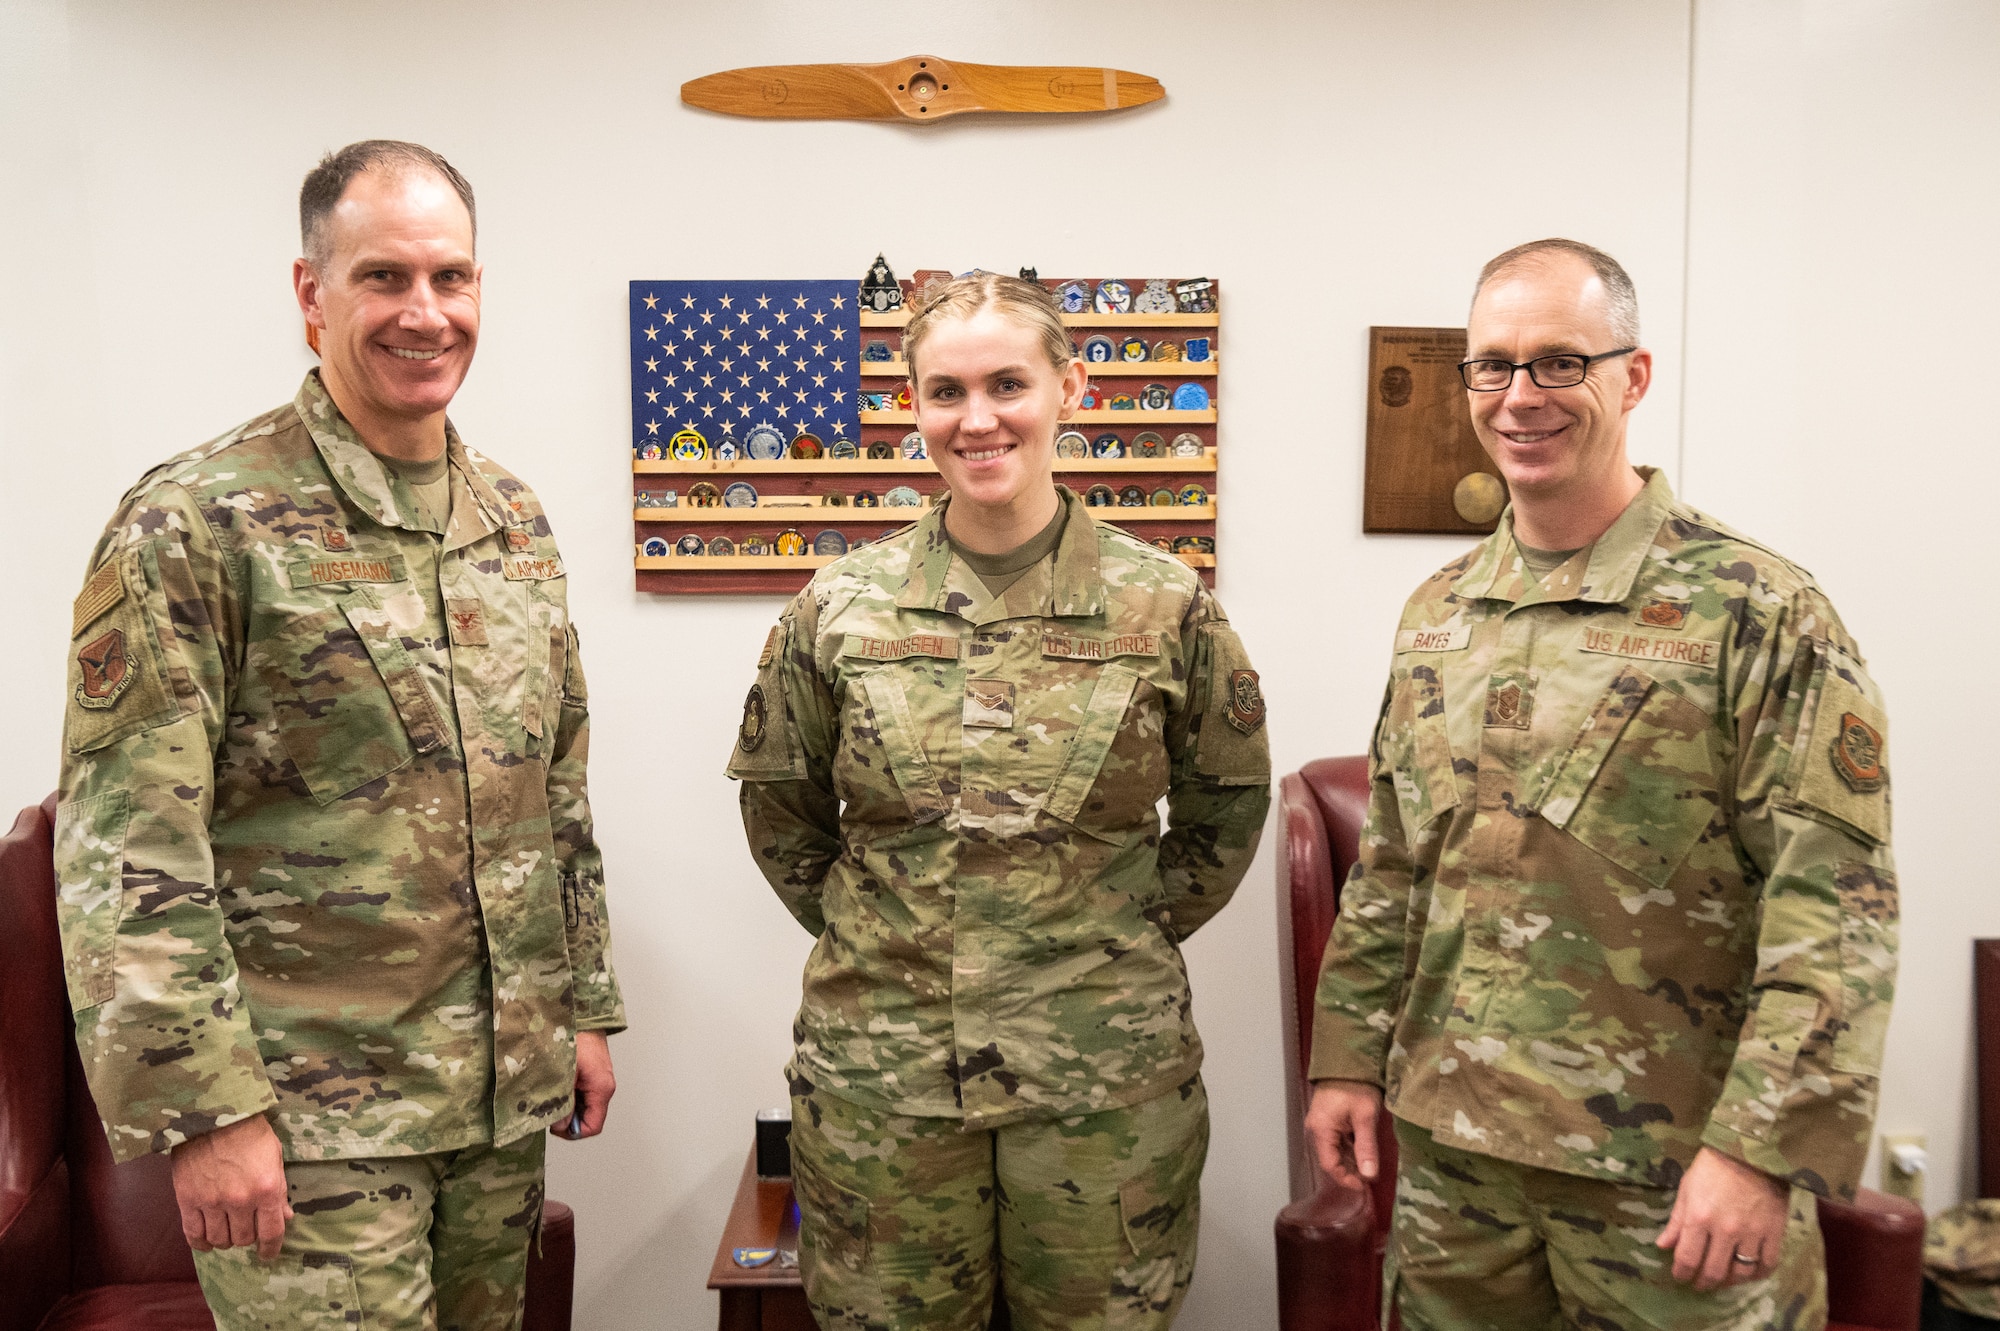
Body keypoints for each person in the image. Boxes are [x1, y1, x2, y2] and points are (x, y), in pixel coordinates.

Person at [53, 140, 623, 1331]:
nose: (427, 313)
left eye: (452, 278)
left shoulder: (511, 518)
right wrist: (205, 1112)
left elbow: (550, 789)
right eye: (385, 278)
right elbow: (128, 847)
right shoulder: (199, 520)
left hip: (495, 1103)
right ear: (312, 294)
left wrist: (578, 1008)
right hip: (308, 1120)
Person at [1305, 238, 1897, 1331]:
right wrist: (1344, 1058)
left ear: (1632, 375)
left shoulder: (1753, 609)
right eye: (1492, 365)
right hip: (1455, 1171)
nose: (1519, 395)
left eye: (1558, 363)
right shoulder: (1438, 610)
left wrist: (1757, 1150)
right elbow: (1392, 864)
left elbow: (1833, 910)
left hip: (1669, 1179)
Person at [726, 272, 1271, 1330]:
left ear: (1071, 390)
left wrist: (1103, 940)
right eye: (945, 391)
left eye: (1006, 383)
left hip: (1101, 1088)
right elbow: (781, 816)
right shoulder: (835, 608)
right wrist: (896, 937)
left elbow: (1226, 812)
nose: (976, 419)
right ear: (913, 408)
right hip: (884, 1085)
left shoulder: (1165, 604)